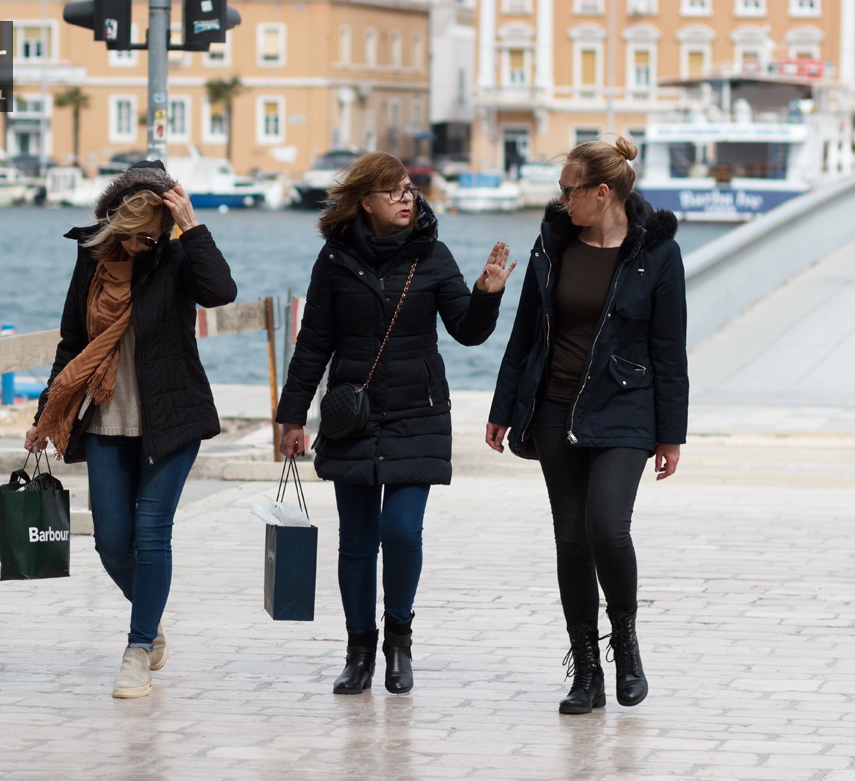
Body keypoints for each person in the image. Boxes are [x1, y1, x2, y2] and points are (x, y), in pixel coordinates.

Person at [276, 151, 516, 695]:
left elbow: (467, 331)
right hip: (351, 417)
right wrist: (293, 417)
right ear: (366, 202)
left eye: (409, 188)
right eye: (394, 192)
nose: (407, 198)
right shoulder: (334, 261)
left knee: (401, 530)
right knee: (357, 542)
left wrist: (487, 294)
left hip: (418, 413)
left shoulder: (432, 255)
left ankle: (399, 641)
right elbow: (313, 345)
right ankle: (359, 649)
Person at [485, 136, 688, 715]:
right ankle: (586, 669)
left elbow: (670, 351)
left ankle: (624, 641)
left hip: (626, 408)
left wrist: (671, 434)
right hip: (553, 408)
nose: (560, 200)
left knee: (607, 526)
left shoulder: (658, 254)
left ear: (602, 193)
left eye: (568, 190)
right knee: (571, 539)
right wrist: (503, 409)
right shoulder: (552, 245)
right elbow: (525, 335)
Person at [24, 160, 237, 699]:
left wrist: (191, 225)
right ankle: (152, 620)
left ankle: (137, 649)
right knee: (111, 543)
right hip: (105, 416)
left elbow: (221, 291)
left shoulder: (178, 253)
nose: (142, 245)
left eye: (152, 235)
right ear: (116, 222)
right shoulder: (92, 255)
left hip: (172, 415)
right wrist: (46, 411)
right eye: (133, 236)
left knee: (149, 533)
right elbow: (73, 339)